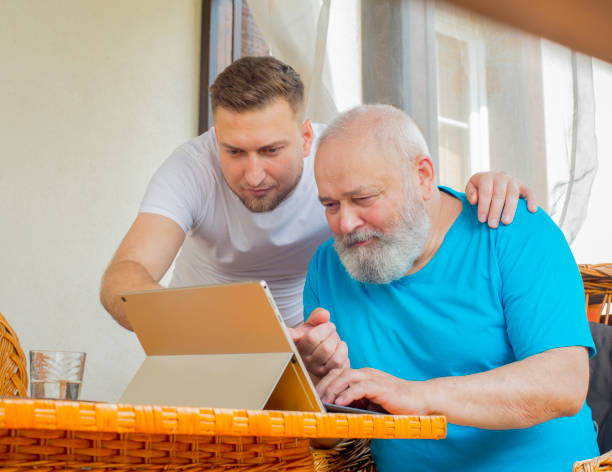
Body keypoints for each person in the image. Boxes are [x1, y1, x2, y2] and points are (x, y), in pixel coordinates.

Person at [100, 56, 536, 333]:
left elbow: (416, 195)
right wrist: (213, 326)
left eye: (271, 150)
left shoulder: (338, 157)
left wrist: (484, 185)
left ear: (306, 138)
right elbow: (123, 277)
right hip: (200, 337)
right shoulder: (191, 168)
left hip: (311, 341)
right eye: (233, 151)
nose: (253, 174)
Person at [299, 104, 599, 471]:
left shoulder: (514, 230)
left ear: (423, 177)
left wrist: (416, 396)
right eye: (331, 205)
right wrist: (314, 385)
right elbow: (328, 439)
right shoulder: (326, 267)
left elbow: (564, 383)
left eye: (363, 199)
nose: (345, 223)